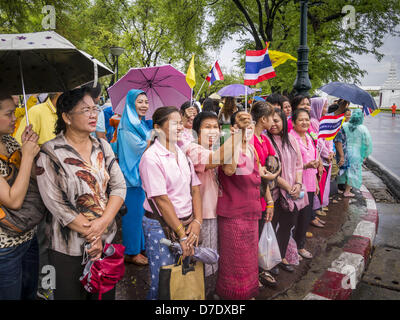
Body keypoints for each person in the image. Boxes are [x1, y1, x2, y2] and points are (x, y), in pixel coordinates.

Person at [35, 87, 126, 300]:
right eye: (86, 110)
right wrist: (94, 234)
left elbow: (119, 187)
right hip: (66, 248)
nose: (94, 114)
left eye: (95, 108)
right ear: (67, 117)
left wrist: (102, 227)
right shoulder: (50, 152)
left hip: (105, 243)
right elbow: (56, 204)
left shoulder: (102, 146)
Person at [139, 106, 202, 300]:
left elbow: (195, 189)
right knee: (163, 281)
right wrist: (182, 237)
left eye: (180, 122)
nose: (180, 127)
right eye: (174, 123)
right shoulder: (151, 158)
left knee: (182, 278)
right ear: (157, 128)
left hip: (186, 224)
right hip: (161, 227)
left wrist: (197, 222)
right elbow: (162, 200)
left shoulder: (181, 153)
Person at [186, 111, 242, 298]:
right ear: (196, 132)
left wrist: (234, 139)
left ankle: (206, 292)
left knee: (211, 259)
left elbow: (230, 168)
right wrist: (237, 135)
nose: (213, 132)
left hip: (215, 211)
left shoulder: (214, 148)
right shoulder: (193, 149)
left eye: (215, 128)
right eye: (207, 127)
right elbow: (217, 160)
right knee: (204, 259)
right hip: (202, 215)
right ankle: (201, 295)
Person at [215, 111, 262, 300]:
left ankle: (247, 292)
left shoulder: (251, 148)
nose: (248, 130)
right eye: (244, 126)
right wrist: (237, 136)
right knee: (235, 260)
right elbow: (229, 169)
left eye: (250, 126)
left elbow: (259, 174)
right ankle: (232, 295)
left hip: (252, 210)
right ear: (234, 127)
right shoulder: (228, 146)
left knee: (250, 258)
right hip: (233, 214)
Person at [0, 95, 42, 300]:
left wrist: (28, 147)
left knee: (29, 294)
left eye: (15, 111)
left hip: (27, 235)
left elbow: (30, 177)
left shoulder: (8, 141)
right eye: (9, 114)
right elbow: (13, 201)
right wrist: (26, 156)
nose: (15, 118)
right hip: (5, 248)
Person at [267, 109, 309, 272]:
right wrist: (287, 186)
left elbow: (299, 164)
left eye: (277, 121)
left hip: (293, 191)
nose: (273, 124)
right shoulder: (266, 140)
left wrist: (298, 183)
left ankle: (281, 256)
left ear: (284, 121)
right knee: (273, 226)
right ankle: (270, 261)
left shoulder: (291, 139)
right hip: (276, 193)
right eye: (271, 121)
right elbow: (269, 170)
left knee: (287, 225)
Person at [115, 89, 153, 266]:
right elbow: (139, 148)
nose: (144, 105)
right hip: (131, 178)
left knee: (139, 215)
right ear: (131, 103)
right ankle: (131, 252)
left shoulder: (139, 123)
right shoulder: (127, 126)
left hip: (141, 176)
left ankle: (138, 247)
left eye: (146, 102)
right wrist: (153, 138)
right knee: (132, 216)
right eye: (140, 102)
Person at [250, 102, 282, 285]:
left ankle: (262, 270)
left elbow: (274, 163)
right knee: (252, 239)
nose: (273, 122)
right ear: (263, 119)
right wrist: (268, 174)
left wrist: (272, 174)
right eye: (271, 118)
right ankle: (253, 273)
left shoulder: (264, 139)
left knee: (261, 234)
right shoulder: (250, 140)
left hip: (264, 193)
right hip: (253, 195)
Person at [290, 109, 319, 260]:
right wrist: (306, 166)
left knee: (305, 217)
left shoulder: (309, 136)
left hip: (310, 183)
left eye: (307, 119)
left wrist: (316, 182)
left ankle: (300, 246)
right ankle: (291, 248)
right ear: (293, 122)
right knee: (295, 217)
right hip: (297, 184)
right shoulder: (291, 138)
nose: (305, 122)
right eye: (301, 120)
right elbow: (291, 164)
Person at [310, 97, 332, 226]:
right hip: (320, 158)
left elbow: (328, 138)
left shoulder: (322, 121)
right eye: (324, 106)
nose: (326, 109)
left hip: (325, 157)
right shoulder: (313, 122)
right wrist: (326, 153)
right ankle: (316, 209)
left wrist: (330, 151)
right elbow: (318, 141)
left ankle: (319, 207)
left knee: (322, 184)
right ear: (317, 108)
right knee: (318, 184)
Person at [338, 109, 373, 194]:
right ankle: (347, 191)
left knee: (343, 170)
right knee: (352, 171)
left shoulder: (344, 125)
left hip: (344, 151)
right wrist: (365, 154)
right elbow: (367, 143)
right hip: (356, 153)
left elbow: (339, 138)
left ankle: (339, 188)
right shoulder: (363, 129)